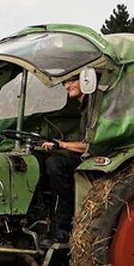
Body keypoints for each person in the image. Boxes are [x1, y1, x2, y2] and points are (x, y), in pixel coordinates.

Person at [39, 76, 89, 244]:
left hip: (96, 156)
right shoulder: (84, 106)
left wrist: (62, 144)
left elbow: (92, 144)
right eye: (64, 83)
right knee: (39, 158)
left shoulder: (96, 107)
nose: (67, 86)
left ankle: (63, 226)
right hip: (84, 153)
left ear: (88, 78)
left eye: (72, 81)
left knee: (55, 164)